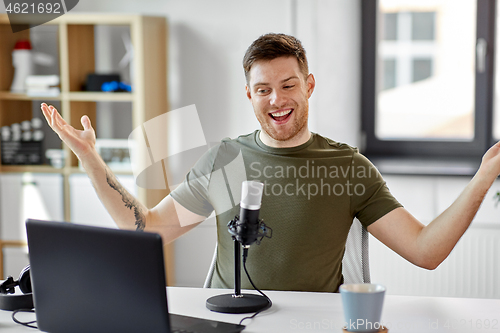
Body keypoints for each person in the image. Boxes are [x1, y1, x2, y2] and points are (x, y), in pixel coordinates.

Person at [41, 33, 500, 293]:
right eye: (263, 89)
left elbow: (425, 252)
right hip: (233, 318)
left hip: (314, 322)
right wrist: (90, 159)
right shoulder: (225, 160)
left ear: (309, 85)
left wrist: (483, 178)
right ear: (250, 95)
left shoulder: (347, 166)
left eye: (288, 85)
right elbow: (145, 230)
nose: (277, 100)